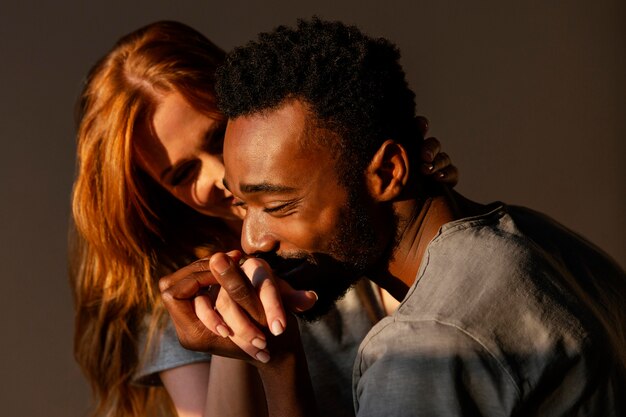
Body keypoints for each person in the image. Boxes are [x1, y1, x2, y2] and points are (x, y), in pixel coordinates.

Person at [159, 18, 626, 417]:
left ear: (386, 172)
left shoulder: (423, 345)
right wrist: (277, 361)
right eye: (245, 206)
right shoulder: (540, 239)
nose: (253, 239)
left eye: (279, 206)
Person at [69, 20, 458, 417]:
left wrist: (412, 203)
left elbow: (440, 336)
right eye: (184, 174)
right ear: (160, 195)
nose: (219, 174)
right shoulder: (178, 308)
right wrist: (233, 323)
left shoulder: (335, 224)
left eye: (217, 135)